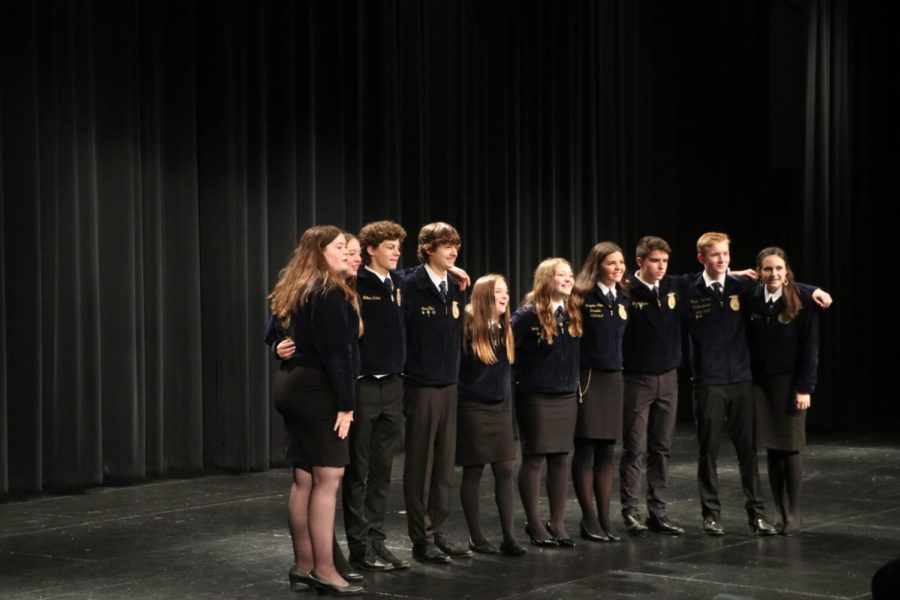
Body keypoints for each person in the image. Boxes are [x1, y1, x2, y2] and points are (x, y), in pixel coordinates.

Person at [685, 232, 830, 536]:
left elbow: (785, 285)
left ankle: (761, 515)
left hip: (744, 380)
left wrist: (814, 288)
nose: (722, 259)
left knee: (752, 451)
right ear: (703, 258)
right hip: (713, 380)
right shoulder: (695, 288)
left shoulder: (746, 289)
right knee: (710, 450)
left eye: (725, 254)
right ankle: (712, 515)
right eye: (715, 255)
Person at [264, 225, 364, 595]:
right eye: (339, 246)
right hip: (317, 390)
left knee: (304, 478)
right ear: (320, 252)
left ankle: (302, 566)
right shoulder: (327, 292)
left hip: (292, 384)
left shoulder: (296, 285)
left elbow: (272, 331)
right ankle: (324, 569)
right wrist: (346, 405)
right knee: (329, 478)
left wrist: (278, 346)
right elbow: (338, 354)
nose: (346, 252)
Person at [341, 221, 412, 571]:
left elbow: (425, 273)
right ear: (371, 250)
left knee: (383, 469)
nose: (397, 252)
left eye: (399, 247)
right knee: (359, 469)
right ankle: (358, 545)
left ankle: (377, 540)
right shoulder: (356, 282)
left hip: (393, 386)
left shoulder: (398, 282)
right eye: (390, 247)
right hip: (364, 384)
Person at [401, 222, 471, 563]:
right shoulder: (410, 283)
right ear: (428, 248)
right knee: (421, 465)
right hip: (421, 385)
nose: (453, 250)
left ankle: (439, 531)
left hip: (449, 383)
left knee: (445, 464)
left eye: (455, 245)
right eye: (446, 245)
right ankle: (421, 537)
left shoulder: (455, 285)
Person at [746, 247, 820, 536]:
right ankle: (778, 509)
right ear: (759, 272)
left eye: (778, 268)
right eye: (767, 269)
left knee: (789, 448)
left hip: (790, 384)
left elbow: (811, 350)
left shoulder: (802, 300)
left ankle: (794, 511)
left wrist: (805, 388)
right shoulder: (753, 299)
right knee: (772, 449)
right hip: (761, 385)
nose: (773, 274)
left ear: (786, 270)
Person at [512, 258, 583, 548]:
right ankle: (535, 522)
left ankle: (557, 522)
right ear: (545, 280)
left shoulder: (572, 312)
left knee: (560, 459)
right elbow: (508, 352)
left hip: (566, 394)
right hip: (536, 396)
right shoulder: (526, 315)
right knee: (535, 458)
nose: (569, 279)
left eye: (570, 275)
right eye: (561, 275)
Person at [618, 236, 687, 536]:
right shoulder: (626, 290)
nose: (661, 267)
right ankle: (630, 512)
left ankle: (657, 511)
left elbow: (708, 276)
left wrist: (738, 274)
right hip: (637, 379)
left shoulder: (672, 286)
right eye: (655, 261)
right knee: (635, 447)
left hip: (669, 378)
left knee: (662, 448)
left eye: (664, 261)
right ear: (641, 262)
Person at [456, 274, 526, 557]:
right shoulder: (468, 325)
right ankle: (476, 536)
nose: (505, 296)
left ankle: (509, 537)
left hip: (500, 408)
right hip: (472, 407)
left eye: (507, 291)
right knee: (474, 470)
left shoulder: (504, 326)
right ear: (485, 295)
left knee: (506, 469)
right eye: (499, 291)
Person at [572, 242, 628, 542]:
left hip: (613, 377)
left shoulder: (622, 296)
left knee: (607, 450)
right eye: (611, 263)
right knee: (586, 449)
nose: (618, 268)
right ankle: (589, 518)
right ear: (597, 266)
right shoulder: (582, 296)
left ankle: (606, 517)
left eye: (621, 263)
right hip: (589, 377)